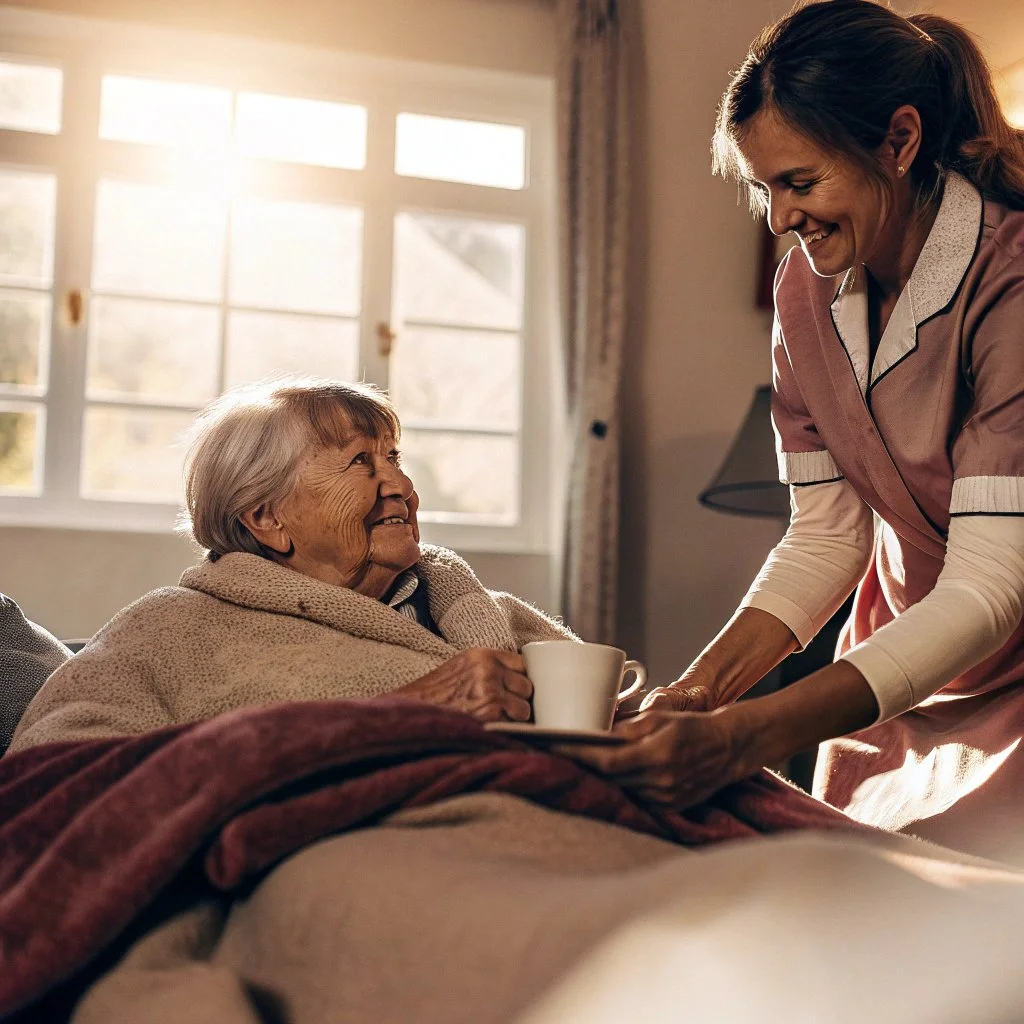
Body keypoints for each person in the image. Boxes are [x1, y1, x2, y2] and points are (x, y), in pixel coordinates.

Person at [566, 0, 1024, 856]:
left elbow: (991, 589)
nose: (779, 219)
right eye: (761, 187)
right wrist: (699, 694)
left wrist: (749, 735)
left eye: (799, 183)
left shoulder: (1012, 279)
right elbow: (826, 537)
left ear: (899, 140)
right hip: (904, 668)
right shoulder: (803, 294)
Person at [8, 378, 575, 753]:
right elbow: (58, 776)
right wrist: (397, 716)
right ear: (266, 518)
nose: (400, 485)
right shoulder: (168, 631)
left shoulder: (488, 614)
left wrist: (653, 718)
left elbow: (599, 730)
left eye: (394, 457)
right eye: (360, 462)